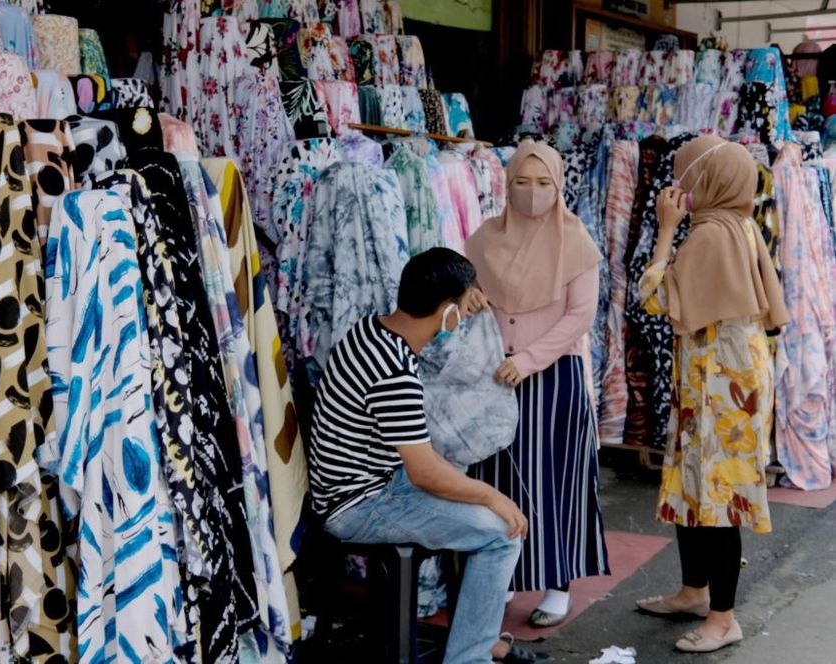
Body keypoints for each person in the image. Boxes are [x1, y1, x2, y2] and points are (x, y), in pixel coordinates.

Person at [308, 248, 546, 664]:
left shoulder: (368, 330)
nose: (471, 313)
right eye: (466, 305)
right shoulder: (394, 371)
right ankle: (470, 658)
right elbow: (423, 473)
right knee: (503, 532)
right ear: (449, 312)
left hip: (363, 483)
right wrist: (491, 496)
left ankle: (479, 639)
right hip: (357, 504)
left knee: (465, 485)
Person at [633, 136, 788, 653]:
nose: (677, 187)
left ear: (706, 180)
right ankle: (693, 592)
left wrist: (665, 231)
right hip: (720, 377)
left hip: (720, 385)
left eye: (685, 176)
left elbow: (654, 297)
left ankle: (723, 617)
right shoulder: (735, 223)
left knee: (718, 497)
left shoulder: (708, 234)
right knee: (696, 488)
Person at [465, 140, 610, 628]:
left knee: (554, 482)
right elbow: (471, 298)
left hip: (552, 380)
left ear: (559, 185)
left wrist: (527, 359)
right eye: (522, 183)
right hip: (494, 377)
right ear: (507, 185)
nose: (532, 193)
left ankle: (558, 584)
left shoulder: (577, 241)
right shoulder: (484, 239)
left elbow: (579, 317)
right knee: (497, 479)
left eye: (544, 183)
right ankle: (503, 574)